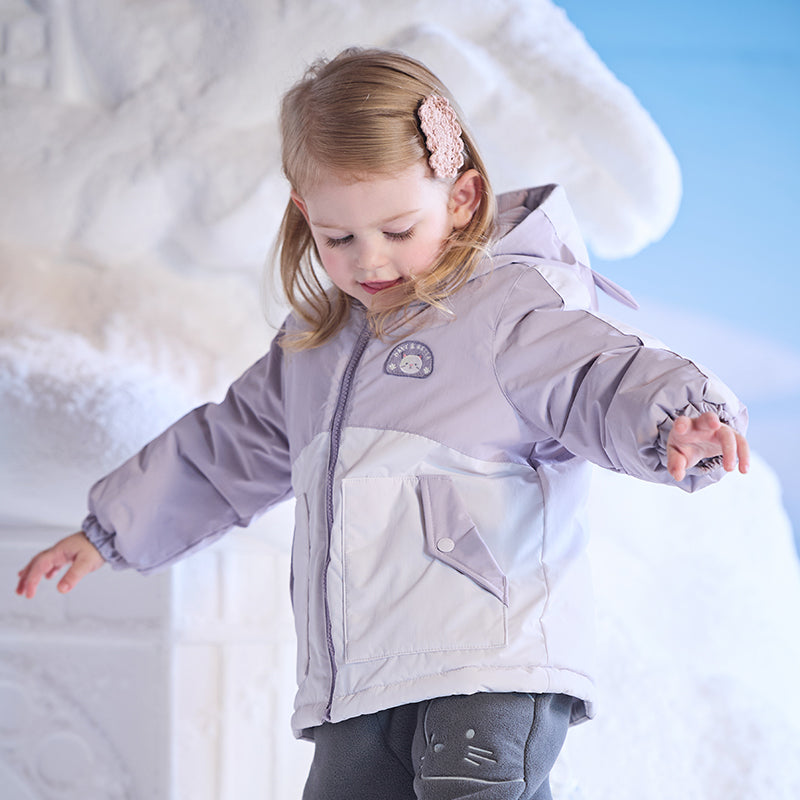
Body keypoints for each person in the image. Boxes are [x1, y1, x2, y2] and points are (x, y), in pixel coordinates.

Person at [16, 48, 749, 800]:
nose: (370, 261)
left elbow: (599, 375)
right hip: (360, 680)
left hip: (488, 662)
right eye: (339, 238)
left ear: (462, 198)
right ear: (304, 214)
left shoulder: (510, 313)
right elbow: (226, 450)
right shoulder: (313, 351)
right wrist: (111, 531)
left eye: (398, 230)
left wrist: (674, 420)